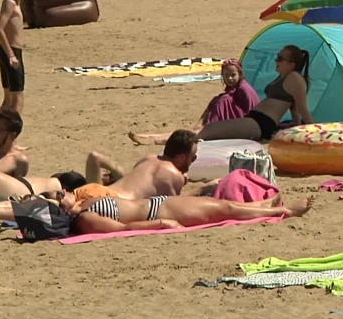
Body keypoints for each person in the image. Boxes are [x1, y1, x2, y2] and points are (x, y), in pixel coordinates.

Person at [130, 45, 314, 145]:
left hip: (260, 123)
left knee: (207, 132)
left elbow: (301, 109)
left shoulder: (295, 78)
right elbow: (294, 109)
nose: (276, 60)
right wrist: (294, 132)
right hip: (256, 120)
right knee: (206, 131)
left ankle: (155, 140)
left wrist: (312, 134)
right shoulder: (286, 77)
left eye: (280, 58)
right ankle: (152, 136)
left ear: (292, 64)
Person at [0, 191, 315, 236]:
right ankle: (281, 210)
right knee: (220, 209)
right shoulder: (82, 220)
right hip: (152, 206)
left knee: (221, 208)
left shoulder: (76, 215)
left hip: (125, 204)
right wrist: (159, 222)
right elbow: (122, 228)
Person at [78, 130, 202, 202]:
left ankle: (117, 171)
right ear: (181, 157)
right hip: (111, 201)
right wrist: (204, 188)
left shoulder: (148, 158)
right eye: (193, 157)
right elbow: (175, 204)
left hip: (93, 190)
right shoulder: (175, 175)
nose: (194, 160)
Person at [0, 0, 29, 114]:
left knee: (8, 99)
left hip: (7, 51)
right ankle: (12, 132)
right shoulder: (10, 3)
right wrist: (11, 55)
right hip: (11, 51)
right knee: (17, 100)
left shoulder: (15, 3)